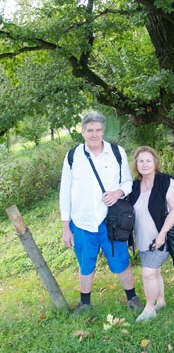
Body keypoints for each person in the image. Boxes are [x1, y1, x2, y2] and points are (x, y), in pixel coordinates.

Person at [59, 111, 142, 315]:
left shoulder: (116, 152)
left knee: (121, 260)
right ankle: (84, 303)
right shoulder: (73, 156)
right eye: (90, 130)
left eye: (98, 130)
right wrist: (65, 227)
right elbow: (65, 191)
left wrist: (118, 192)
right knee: (85, 263)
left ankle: (132, 298)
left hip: (111, 221)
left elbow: (128, 182)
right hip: (82, 222)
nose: (94, 134)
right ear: (83, 132)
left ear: (103, 130)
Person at [130, 146, 174, 322]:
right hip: (143, 238)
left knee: (148, 273)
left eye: (148, 160)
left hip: (162, 238)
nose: (144, 164)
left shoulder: (166, 182)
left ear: (155, 163)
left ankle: (149, 309)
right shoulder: (135, 186)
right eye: (141, 161)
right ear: (136, 165)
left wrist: (162, 234)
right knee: (155, 272)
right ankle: (161, 302)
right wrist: (132, 238)